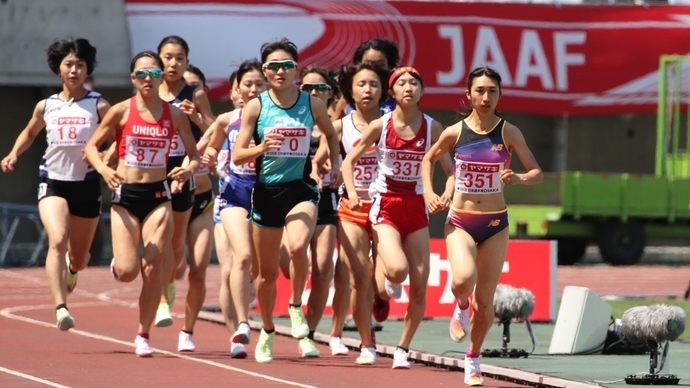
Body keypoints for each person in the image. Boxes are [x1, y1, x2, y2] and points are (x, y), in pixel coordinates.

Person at [421, 66, 542, 385]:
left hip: (495, 224)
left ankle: (473, 359)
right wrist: (431, 193)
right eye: (480, 90)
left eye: (492, 91)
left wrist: (518, 177)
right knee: (463, 279)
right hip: (460, 221)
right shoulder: (454, 132)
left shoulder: (509, 132)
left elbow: (537, 173)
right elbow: (428, 160)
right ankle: (461, 304)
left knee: (486, 301)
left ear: (500, 95)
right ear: (469, 95)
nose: (486, 97)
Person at [83, 50, 200, 357]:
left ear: (163, 77)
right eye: (142, 74)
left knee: (153, 264)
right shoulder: (121, 111)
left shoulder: (174, 115)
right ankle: (120, 266)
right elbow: (92, 147)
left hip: (159, 196)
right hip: (126, 196)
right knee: (128, 271)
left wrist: (187, 168)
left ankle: (142, 334)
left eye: (154, 74)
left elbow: (194, 153)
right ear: (133, 79)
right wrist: (105, 169)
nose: (148, 80)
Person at [232, 38, 340, 364]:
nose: (280, 71)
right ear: (265, 71)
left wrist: (332, 164)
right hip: (266, 193)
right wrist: (261, 149)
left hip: (301, 188)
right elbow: (238, 155)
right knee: (265, 275)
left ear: (296, 69)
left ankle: (295, 307)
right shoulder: (257, 106)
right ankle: (266, 329)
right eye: (273, 66)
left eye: (287, 65)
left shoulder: (312, 104)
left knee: (297, 247)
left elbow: (331, 134)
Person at [341, 66, 453, 368]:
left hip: (416, 206)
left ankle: (402, 348)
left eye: (414, 83)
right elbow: (348, 162)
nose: (408, 87)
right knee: (398, 270)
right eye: (401, 83)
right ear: (393, 92)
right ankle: (386, 284)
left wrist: (445, 194)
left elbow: (451, 170)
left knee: (419, 286)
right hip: (385, 205)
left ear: (421, 91)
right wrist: (352, 192)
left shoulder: (433, 128)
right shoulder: (381, 125)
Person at [1, 38, 110, 331]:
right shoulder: (46, 105)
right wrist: (13, 154)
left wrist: (106, 158)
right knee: (58, 239)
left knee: (80, 257)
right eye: (69, 65)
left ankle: (73, 271)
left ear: (88, 70)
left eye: (80, 65)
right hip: (53, 182)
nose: (74, 70)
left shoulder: (99, 105)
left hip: (86, 185)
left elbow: (116, 140)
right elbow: (29, 132)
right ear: (58, 69)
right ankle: (61, 307)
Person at [313, 61, 390, 362]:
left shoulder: (392, 123)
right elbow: (319, 161)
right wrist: (326, 173)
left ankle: (381, 295)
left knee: (381, 280)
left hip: (386, 209)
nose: (367, 89)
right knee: (359, 276)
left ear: (383, 90)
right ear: (350, 91)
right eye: (361, 84)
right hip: (352, 208)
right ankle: (367, 343)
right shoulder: (339, 127)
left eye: (373, 84)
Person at [203, 59, 267, 358]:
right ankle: (237, 333)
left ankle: (249, 308)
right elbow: (209, 147)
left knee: (255, 268)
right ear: (236, 90)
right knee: (232, 265)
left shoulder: (275, 119)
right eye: (248, 84)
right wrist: (204, 160)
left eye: (259, 84)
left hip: (267, 195)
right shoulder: (227, 120)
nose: (253, 90)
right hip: (233, 194)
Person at [276, 65, 340, 357]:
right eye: (309, 88)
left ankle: (309, 335)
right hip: (291, 201)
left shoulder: (338, 125)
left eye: (321, 88)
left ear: (331, 94)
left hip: (325, 200)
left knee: (324, 268)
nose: (315, 93)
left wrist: (335, 167)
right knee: (290, 263)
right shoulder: (289, 118)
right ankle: (294, 303)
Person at [155, 35, 216, 327]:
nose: (173, 63)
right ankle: (164, 300)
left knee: (177, 244)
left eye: (179, 58)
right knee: (161, 240)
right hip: (155, 172)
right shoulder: (149, 91)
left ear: (187, 62)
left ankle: (169, 286)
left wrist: (197, 119)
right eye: (168, 57)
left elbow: (216, 132)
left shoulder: (195, 94)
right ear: (158, 60)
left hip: (187, 171)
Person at [170, 64, 216, 351]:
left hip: (202, 197)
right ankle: (166, 291)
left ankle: (187, 330)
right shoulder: (167, 113)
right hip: (173, 195)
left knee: (199, 269)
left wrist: (197, 117)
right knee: (175, 266)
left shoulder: (202, 113)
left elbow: (220, 133)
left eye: (195, 86)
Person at [333, 39, 400, 118]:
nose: (374, 69)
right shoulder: (347, 100)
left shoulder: (398, 98)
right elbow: (331, 129)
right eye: (368, 64)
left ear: (390, 67)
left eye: (380, 65)